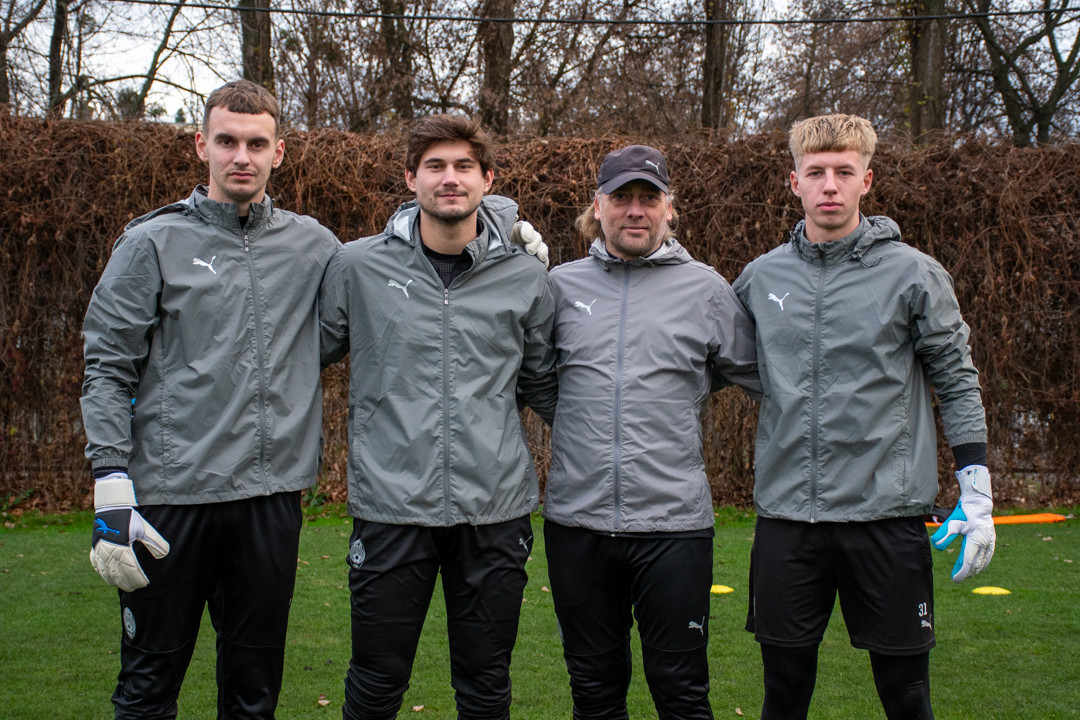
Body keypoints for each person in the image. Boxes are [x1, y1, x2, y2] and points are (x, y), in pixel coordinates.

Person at [81, 80, 340, 719]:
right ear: (202, 145)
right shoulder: (151, 242)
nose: (241, 157)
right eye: (227, 141)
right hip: (170, 498)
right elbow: (108, 365)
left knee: (253, 695)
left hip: (268, 500)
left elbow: (395, 270)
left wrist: (496, 227)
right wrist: (110, 479)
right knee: (147, 689)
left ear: (279, 151)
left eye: (256, 143)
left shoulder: (314, 245)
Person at [731, 114, 996, 720]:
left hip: (886, 517)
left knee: (905, 694)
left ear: (866, 181)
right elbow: (710, 358)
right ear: (794, 182)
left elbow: (957, 380)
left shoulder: (914, 274)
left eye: (844, 172)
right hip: (788, 517)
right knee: (783, 691)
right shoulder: (761, 277)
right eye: (816, 172)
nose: (830, 185)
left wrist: (977, 488)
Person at [318, 114, 557, 720]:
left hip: (494, 510)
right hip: (390, 507)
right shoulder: (357, 266)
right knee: (375, 684)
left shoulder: (526, 275)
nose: (450, 178)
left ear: (487, 180)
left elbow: (542, 383)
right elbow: (298, 356)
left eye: (464, 166)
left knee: (485, 684)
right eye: (435, 166)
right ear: (411, 178)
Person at [539, 145, 760, 719]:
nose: (634, 210)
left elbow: (763, 377)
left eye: (648, 198)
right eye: (621, 198)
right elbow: (532, 379)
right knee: (593, 692)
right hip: (577, 524)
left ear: (669, 207)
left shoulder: (706, 289)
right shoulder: (559, 287)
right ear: (598, 206)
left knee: (681, 691)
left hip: (674, 527)